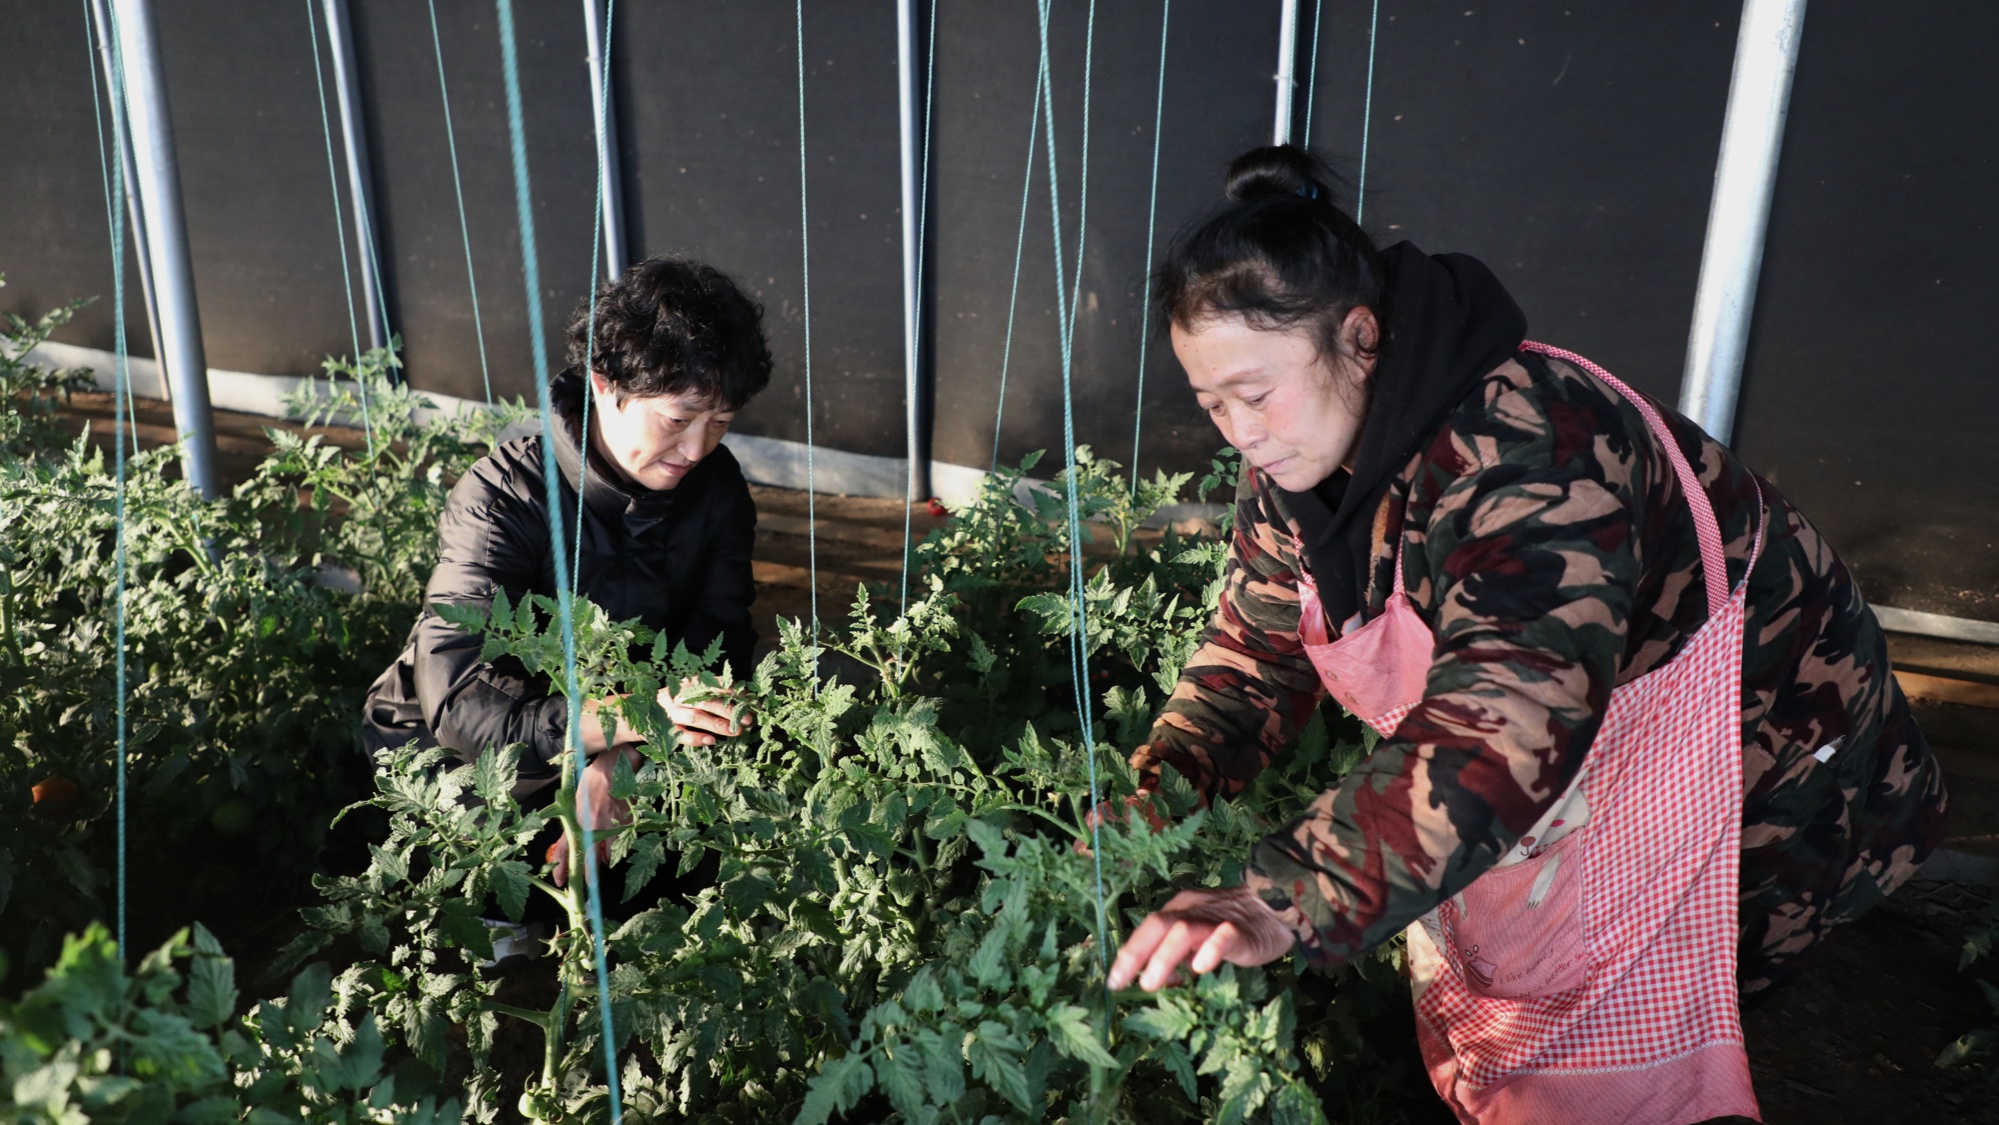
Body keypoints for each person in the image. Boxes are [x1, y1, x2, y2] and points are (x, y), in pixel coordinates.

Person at [1102, 147, 1947, 1124]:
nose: (1237, 430)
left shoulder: (1534, 454)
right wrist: (1155, 793)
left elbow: (1505, 721)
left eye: (1256, 391)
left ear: (1360, 336)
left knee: (1692, 998)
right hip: (1578, 754)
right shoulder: (1297, 467)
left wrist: (1281, 898)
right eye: (1210, 403)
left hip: (1756, 742)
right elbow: (1254, 651)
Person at [362, 255, 768, 887]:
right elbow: (461, 703)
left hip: (635, 733)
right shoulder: (503, 497)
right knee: (492, 873)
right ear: (605, 384)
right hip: (474, 751)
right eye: (679, 419)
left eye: (720, 422)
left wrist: (623, 760)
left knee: (721, 827)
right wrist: (636, 721)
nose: (698, 449)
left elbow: (718, 642)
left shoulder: (717, 489)